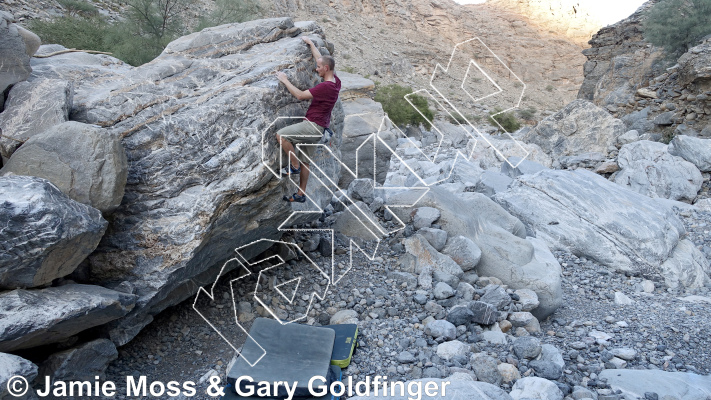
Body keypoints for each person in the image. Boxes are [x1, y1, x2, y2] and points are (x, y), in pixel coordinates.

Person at [275, 36, 341, 203]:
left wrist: (284, 80)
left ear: (326, 68)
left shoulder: (324, 87)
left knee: (281, 136)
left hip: (312, 127)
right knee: (307, 161)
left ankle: (293, 165)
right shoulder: (335, 81)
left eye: (319, 68)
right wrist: (311, 45)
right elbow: (320, 59)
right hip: (320, 129)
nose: (316, 69)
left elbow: (299, 95)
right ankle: (301, 194)